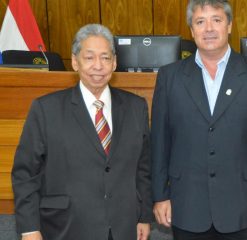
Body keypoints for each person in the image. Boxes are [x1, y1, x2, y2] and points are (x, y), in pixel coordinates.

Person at [151, 0, 247, 239]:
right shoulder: (169, 77)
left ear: (230, 26)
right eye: (200, 22)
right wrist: (160, 195)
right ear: (191, 30)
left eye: (217, 20)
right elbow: (160, 141)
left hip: (242, 203)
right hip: (186, 203)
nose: (208, 28)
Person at [12, 24, 152, 240]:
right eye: (89, 57)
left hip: (123, 226)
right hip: (65, 227)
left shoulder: (136, 107)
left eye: (105, 58)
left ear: (114, 63)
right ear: (75, 62)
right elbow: (25, 173)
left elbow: (143, 168)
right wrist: (29, 228)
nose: (98, 65)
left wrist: (143, 216)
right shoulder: (46, 109)